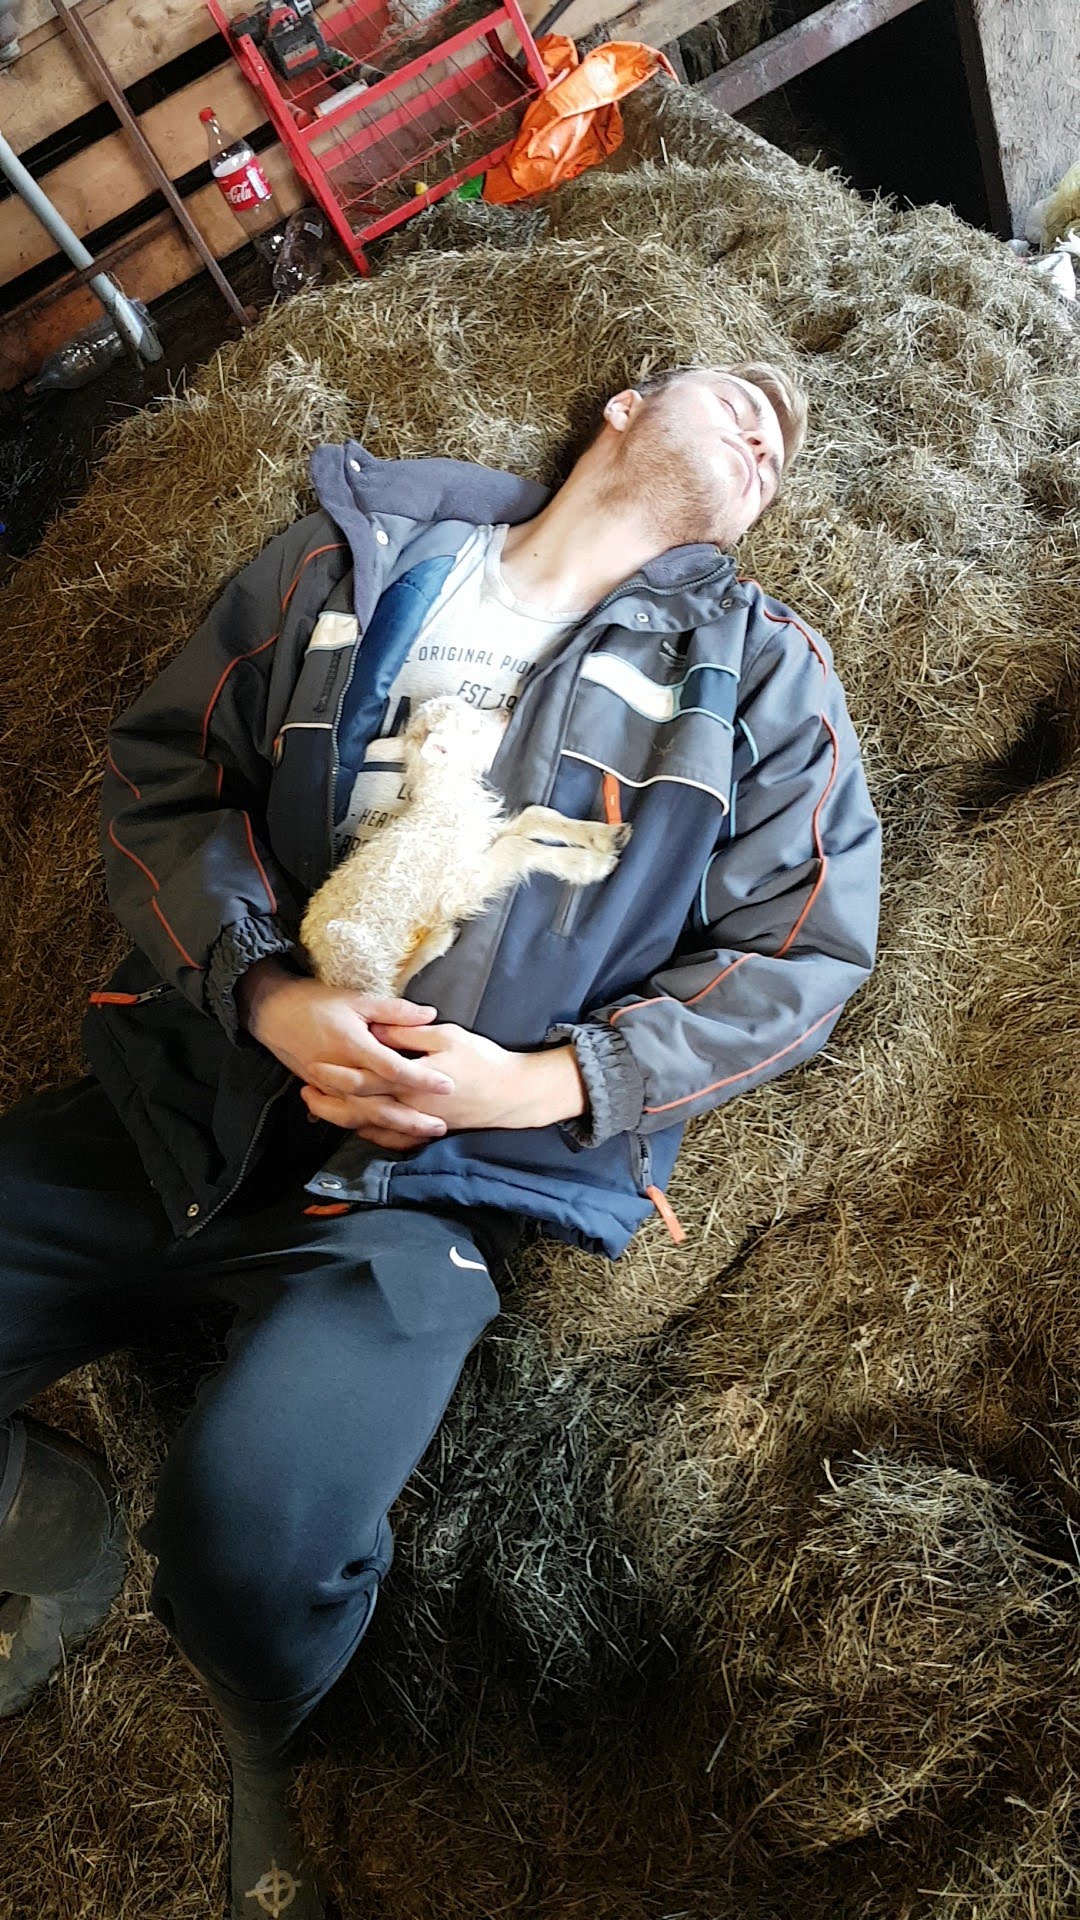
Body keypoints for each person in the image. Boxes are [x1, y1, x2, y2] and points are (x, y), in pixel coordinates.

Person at [0, 364, 881, 1918]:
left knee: (251, 1537)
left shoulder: (755, 678)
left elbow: (805, 949)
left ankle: (269, 1734)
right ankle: (47, 1523)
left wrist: (541, 1085)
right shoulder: (347, 557)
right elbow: (161, 783)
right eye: (741, 396)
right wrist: (263, 993)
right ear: (619, 402)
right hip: (190, 1090)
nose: (770, 435)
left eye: (785, 449)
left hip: (429, 1186)